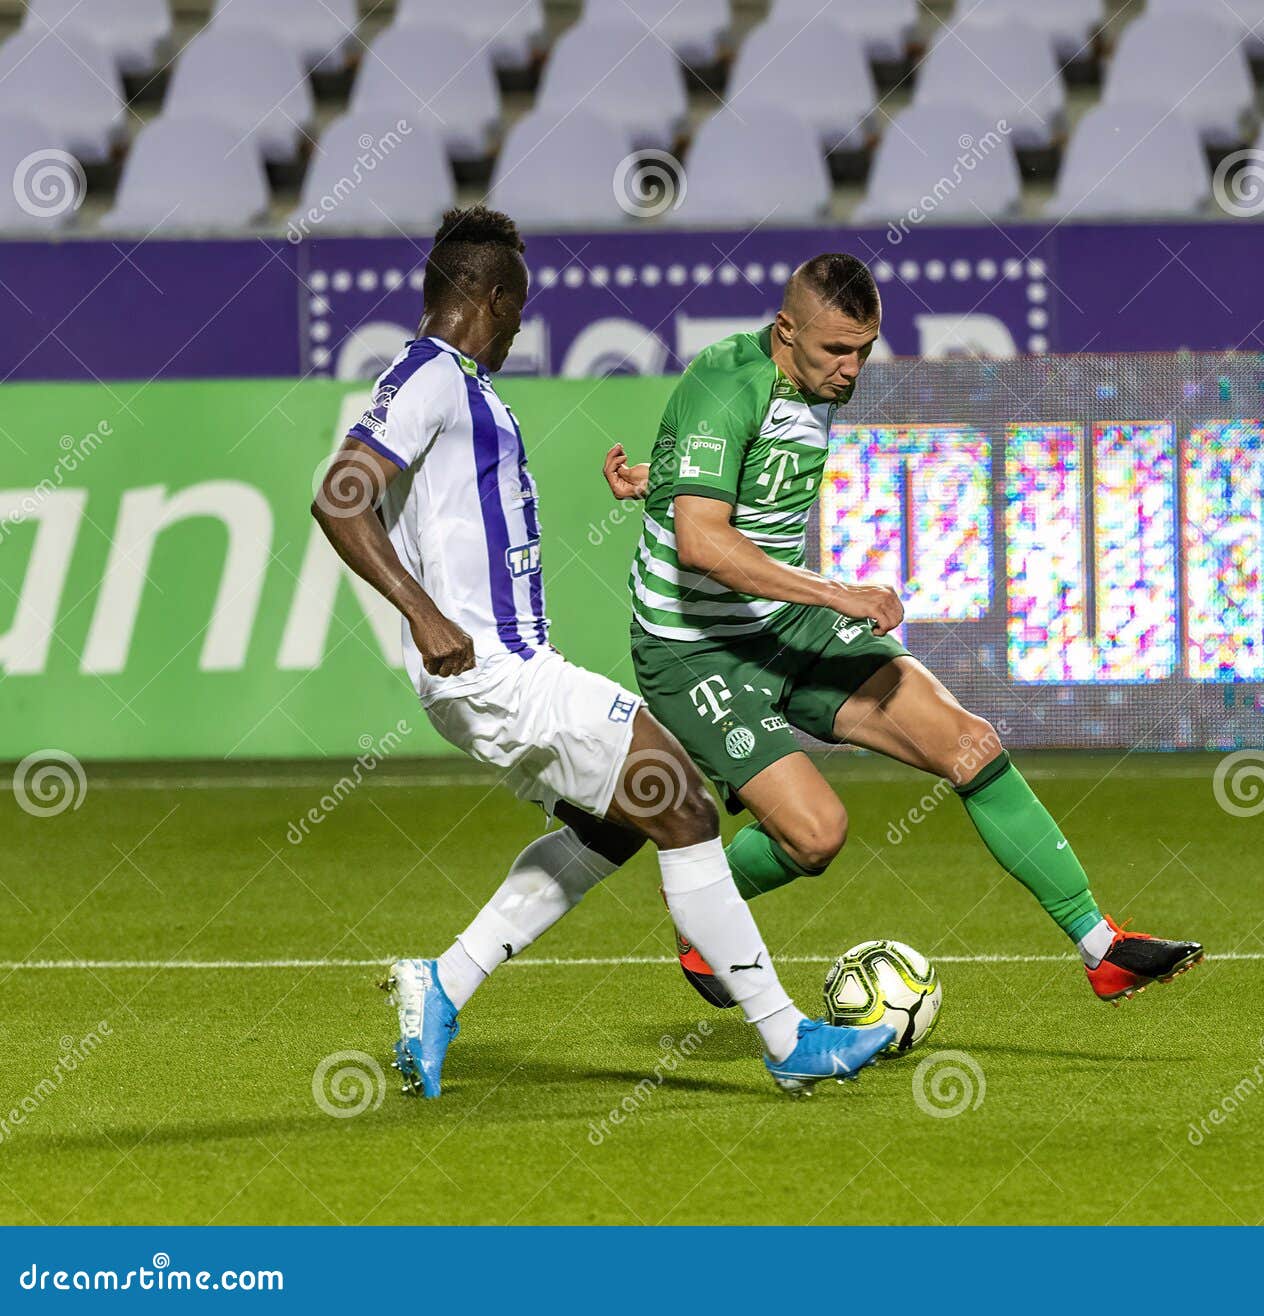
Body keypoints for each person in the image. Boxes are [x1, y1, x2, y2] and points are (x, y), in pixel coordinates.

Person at [310, 208, 893, 1098]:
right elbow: (339, 497)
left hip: (496, 669)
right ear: (494, 299)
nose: (517, 327)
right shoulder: (432, 376)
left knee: (616, 822)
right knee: (684, 801)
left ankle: (443, 983)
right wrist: (424, 615)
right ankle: (786, 1041)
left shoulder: (452, 381)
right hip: (494, 669)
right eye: (518, 309)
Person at [606, 252, 1204, 1007]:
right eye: (836, 351)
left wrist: (661, 479)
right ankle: (702, 917)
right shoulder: (727, 381)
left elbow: (724, 470)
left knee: (969, 743)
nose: (852, 370)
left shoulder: (815, 377)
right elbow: (702, 543)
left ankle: (1102, 948)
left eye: (864, 350)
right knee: (816, 836)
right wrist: (834, 591)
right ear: (785, 330)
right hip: (693, 651)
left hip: (785, 624)